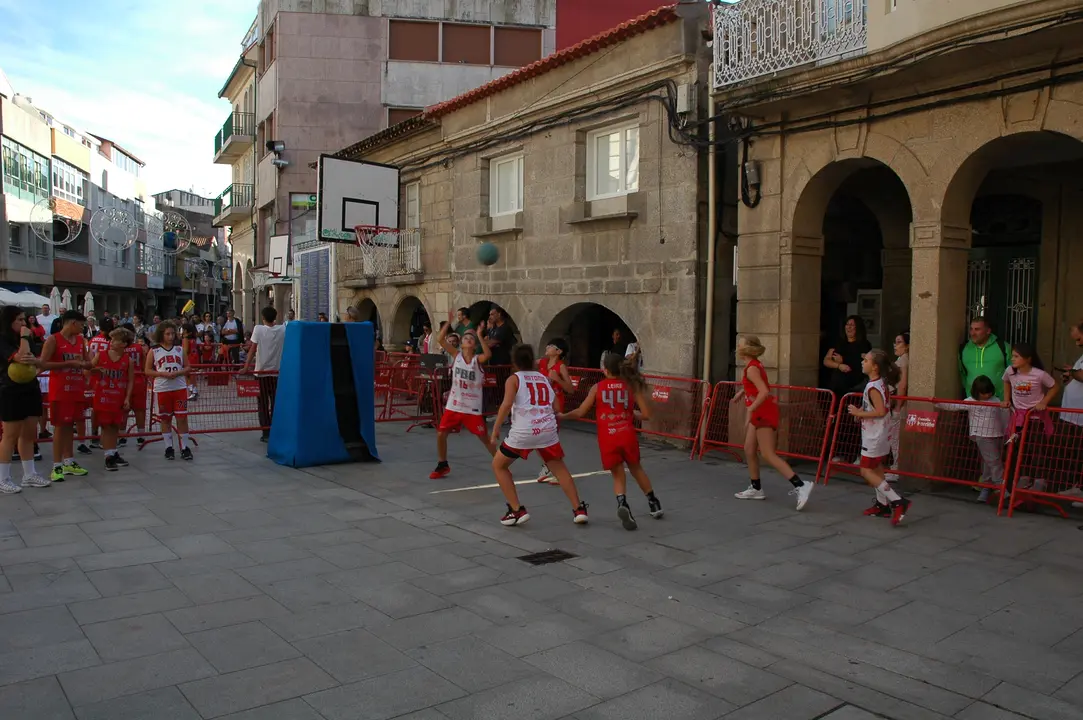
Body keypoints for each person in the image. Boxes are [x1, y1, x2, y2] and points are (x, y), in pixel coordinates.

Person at [560, 352, 663, 530]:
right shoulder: (631, 386)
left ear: (605, 370)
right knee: (636, 468)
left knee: (617, 473)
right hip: (627, 433)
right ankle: (653, 502)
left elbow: (580, 412)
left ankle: (622, 502)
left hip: (608, 436)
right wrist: (631, 413)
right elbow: (646, 414)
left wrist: (563, 416)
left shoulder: (597, 388)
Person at [489, 344, 588, 526]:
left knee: (499, 466)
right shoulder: (543, 378)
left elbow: (506, 404)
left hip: (524, 431)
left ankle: (517, 509)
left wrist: (495, 428)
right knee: (560, 470)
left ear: (514, 362)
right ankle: (579, 509)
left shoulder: (514, 379)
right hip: (546, 430)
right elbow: (557, 407)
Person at [732, 336, 814, 510]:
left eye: (741, 343)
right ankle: (756, 488)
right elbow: (752, 386)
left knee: (768, 454)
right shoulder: (752, 365)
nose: (738, 345)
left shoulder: (751, 368)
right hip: (760, 411)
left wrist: (750, 408)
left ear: (747, 349)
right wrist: (742, 392)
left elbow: (763, 391)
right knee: (749, 448)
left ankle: (800, 485)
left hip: (763, 412)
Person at [848, 349, 910, 525]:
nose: (862, 362)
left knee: (865, 470)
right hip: (881, 433)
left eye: (866, 360)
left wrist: (860, 412)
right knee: (876, 468)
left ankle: (898, 500)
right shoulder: (881, 383)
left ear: (875, 367)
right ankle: (882, 505)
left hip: (874, 435)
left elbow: (880, 411)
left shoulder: (873, 386)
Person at [430, 311, 494, 479]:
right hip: (454, 405)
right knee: (441, 433)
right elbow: (440, 340)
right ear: (461, 343)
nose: (467, 339)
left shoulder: (477, 359)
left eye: (470, 338)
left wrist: (480, 335)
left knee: (484, 438)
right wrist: (448, 322)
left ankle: (500, 462)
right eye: (465, 337)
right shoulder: (455, 355)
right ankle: (442, 464)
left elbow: (488, 355)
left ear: (473, 345)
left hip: (471, 408)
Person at [936, 376, 1010, 504]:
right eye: (983, 393)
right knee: (994, 461)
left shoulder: (996, 400)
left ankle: (986, 489)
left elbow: (1004, 417)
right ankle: (1001, 487)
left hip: (997, 434)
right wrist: (937, 402)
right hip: (982, 435)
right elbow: (954, 405)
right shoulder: (971, 401)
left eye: (989, 392)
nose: (987, 395)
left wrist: (1006, 434)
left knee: (988, 463)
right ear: (976, 392)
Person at [0, 306, 49, 493]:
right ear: (8, 321)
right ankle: (3, 477)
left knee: (29, 434)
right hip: (9, 389)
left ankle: (29, 474)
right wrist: (24, 337)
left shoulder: (27, 337)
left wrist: (27, 340)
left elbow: (36, 359)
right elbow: (22, 357)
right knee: (10, 435)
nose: (24, 323)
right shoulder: (3, 339)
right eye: (19, 320)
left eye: (24, 319)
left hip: (30, 387)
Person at [40, 309, 92, 482]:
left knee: (71, 425)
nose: (83, 328)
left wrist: (89, 363)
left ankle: (69, 461)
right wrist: (69, 362)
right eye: (82, 325)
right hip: (60, 390)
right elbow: (43, 363)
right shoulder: (53, 339)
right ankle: (56, 466)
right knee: (60, 427)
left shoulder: (79, 340)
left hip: (76, 389)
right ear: (73, 323)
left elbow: (87, 362)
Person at [1001, 342, 1058, 492]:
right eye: (1012, 356)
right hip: (1017, 418)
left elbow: (1054, 386)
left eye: (1016, 356)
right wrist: (1006, 399)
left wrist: (1044, 402)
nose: (1012, 359)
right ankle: (1024, 477)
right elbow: (1006, 382)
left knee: (1036, 449)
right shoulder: (1010, 372)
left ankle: (1039, 480)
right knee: (1019, 448)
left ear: (1028, 359)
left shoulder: (1039, 374)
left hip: (1035, 418)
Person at [145, 321, 193, 460]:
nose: (171, 336)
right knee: (165, 418)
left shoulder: (179, 349)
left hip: (179, 387)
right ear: (161, 334)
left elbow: (188, 367)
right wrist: (163, 374)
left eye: (172, 333)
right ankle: (168, 447)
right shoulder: (154, 351)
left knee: (182, 417)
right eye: (167, 334)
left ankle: (184, 447)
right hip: (162, 388)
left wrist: (179, 372)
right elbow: (147, 370)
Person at [91, 328, 134, 472]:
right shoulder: (100, 355)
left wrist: (127, 397)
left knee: (115, 425)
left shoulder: (128, 360)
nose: (111, 342)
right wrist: (95, 371)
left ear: (123, 344)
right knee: (106, 426)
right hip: (103, 396)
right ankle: (108, 455)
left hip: (118, 397)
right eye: (111, 339)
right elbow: (87, 369)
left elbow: (130, 381)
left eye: (114, 340)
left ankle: (113, 452)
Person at [242, 307, 285, 443]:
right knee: (276, 403)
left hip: (261, 372)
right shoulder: (283, 329)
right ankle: (277, 428)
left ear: (263, 317)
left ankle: (266, 432)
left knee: (262, 404)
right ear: (275, 317)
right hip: (277, 372)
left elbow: (252, 349)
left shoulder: (258, 329)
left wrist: (246, 366)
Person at [535, 338, 573, 484]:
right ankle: (550, 466)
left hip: (554, 407)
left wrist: (557, 379)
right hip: (541, 405)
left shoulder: (560, 367)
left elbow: (570, 389)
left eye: (551, 346)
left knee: (548, 439)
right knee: (540, 438)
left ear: (558, 351)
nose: (547, 347)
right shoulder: (542, 362)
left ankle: (554, 469)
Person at [84, 317, 115, 452]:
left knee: (95, 408)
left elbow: (88, 357)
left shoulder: (93, 340)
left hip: (92, 376)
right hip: (105, 376)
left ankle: (94, 435)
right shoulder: (110, 342)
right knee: (104, 407)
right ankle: (104, 436)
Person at [960, 317, 1008, 400]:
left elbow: (1013, 373)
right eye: (971, 329)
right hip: (973, 401)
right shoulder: (964, 348)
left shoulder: (1003, 347)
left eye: (977, 329)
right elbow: (962, 373)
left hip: (999, 401)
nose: (973, 333)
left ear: (988, 331)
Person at [885, 330, 910, 483]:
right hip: (896, 403)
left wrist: (898, 405)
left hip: (899, 406)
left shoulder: (903, 360)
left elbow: (902, 384)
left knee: (896, 438)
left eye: (899, 342)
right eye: (895, 342)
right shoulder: (901, 359)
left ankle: (896, 469)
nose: (896, 345)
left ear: (907, 346)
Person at [121, 323, 149, 446]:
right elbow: (144, 365)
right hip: (139, 380)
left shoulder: (120, 348)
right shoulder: (139, 347)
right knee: (140, 410)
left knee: (123, 410)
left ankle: (122, 436)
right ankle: (141, 435)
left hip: (125, 381)